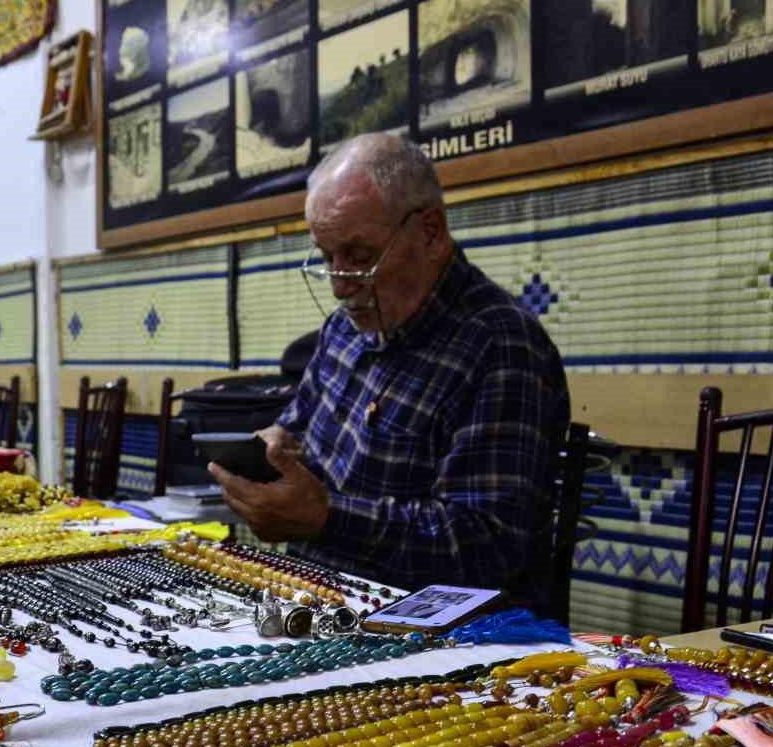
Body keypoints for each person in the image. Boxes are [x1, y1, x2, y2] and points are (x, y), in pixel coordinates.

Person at [208, 132, 571, 603]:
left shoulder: (500, 346)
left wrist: (328, 519)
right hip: (319, 601)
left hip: (439, 639)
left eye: (359, 257)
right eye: (326, 258)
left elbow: (489, 546)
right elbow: (294, 432)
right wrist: (273, 447)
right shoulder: (344, 330)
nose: (339, 286)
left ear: (431, 233)